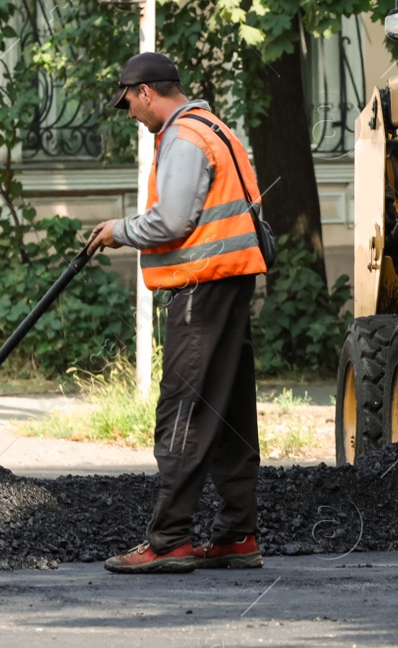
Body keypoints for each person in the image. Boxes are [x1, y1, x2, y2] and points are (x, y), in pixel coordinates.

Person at [85, 53, 268, 574]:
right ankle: (237, 536)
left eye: (128, 103)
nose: (129, 115)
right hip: (229, 282)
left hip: (202, 287)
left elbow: (172, 221)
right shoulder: (215, 128)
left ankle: (169, 541)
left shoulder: (184, 137)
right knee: (230, 414)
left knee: (183, 411)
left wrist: (119, 230)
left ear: (146, 92)